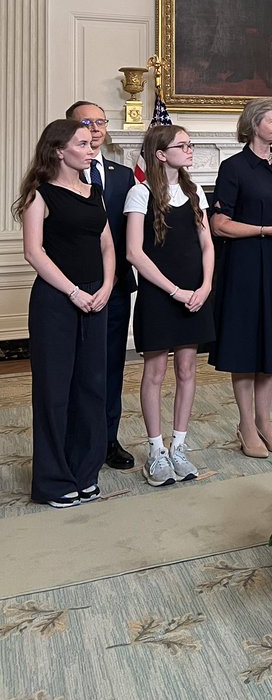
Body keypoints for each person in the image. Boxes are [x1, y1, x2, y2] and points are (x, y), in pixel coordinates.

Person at [14, 119, 115, 507]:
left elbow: (107, 245)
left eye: (92, 144)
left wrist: (106, 286)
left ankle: (85, 473)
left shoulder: (95, 192)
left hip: (97, 298)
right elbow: (33, 252)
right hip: (57, 301)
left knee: (92, 388)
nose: (92, 150)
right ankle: (54, 482)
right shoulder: (39, 195)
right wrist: (73, 291)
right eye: (84, 144)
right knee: (55, 391)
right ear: (59, 150)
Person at [210, 97, 272, 457]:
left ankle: (266, 423)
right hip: (246, 266)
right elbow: (219, 224)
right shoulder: (233, 168)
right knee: (246, 347)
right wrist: (267, 230)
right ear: (254, 125)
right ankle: (246, 425)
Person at [125, 123, 215, 486]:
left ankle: (179, 445)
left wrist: (206, 286)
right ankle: (156, 450)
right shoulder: (139, 193)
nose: (190, 150)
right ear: (161, 154)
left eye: (191, 144)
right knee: (156, 372)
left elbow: (207, 245)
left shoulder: (196, 193)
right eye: (183, 145)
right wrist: (175, 291)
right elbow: (134, 252)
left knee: (188, 371)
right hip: (161, 296)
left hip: (195, 293)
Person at [66, 100, 137, 471]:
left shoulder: (123, 175)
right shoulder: (59, 174)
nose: (95, 129)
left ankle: (109, 440)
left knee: (111, 366)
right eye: (86, 122)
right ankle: (77, 440)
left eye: (100, 122)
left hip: (117, 286)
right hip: (71, 286)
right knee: (77, 367)